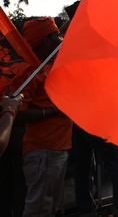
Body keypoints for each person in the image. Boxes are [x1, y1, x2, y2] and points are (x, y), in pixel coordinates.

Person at [18, 17, 73, 217]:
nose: (61, 40)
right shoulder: (30, 72)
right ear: (47, 42)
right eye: (57, 36)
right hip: (43, 151)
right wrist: (54, 111)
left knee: (54, 209)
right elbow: (17, 113)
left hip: (58, 149)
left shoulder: (50, 66)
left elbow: (68, 37)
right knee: (39, 211)